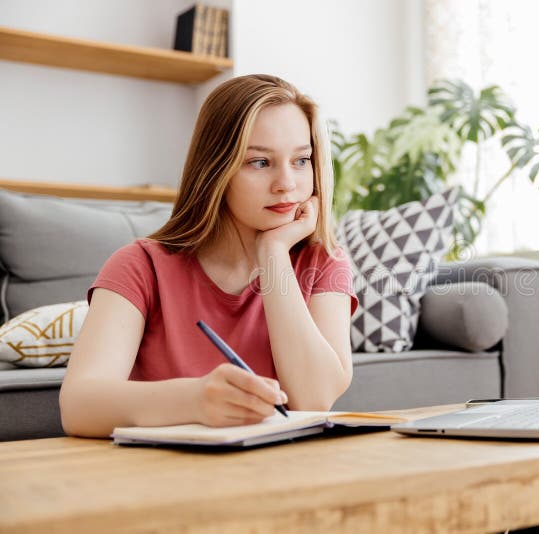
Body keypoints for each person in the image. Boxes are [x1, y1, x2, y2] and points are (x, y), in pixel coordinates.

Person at [59, 74, 358, 438]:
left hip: (282, 466)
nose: (287, 184)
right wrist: (195, 400)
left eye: (301, 160)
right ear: (216, 168)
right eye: (260, 162)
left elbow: (314, 399)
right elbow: (78, 406)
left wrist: (274, 254)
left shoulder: (323, 263)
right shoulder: (140, 266)